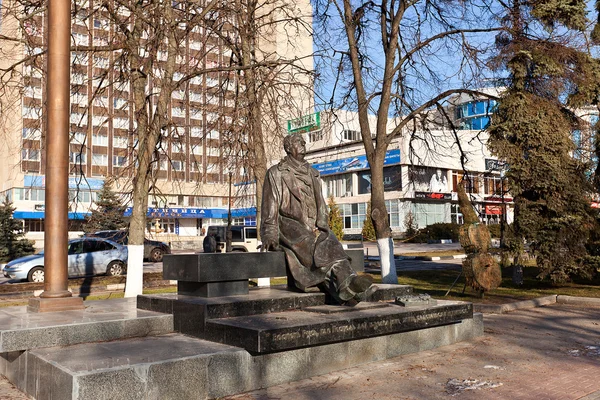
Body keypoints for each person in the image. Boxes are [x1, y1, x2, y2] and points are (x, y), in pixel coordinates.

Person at [261, 134, 372, 305]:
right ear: (289, 148)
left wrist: (322, 223)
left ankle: (347, 288)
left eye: (304, 141)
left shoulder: (313, 173)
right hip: (291, 226)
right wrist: (269, 235)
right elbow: (270, 207)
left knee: (333, 245)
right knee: (315, 247)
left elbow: (320, 202)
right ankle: (348, 286)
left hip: (315, 226)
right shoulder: (276, 173)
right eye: (299, 142)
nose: (304, 143)